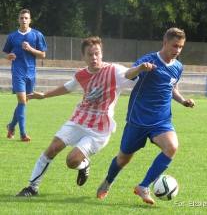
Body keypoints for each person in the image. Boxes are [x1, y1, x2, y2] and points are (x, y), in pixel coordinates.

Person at [14, 36, 137, 197]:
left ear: (102, 54)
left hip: (99, 129)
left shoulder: (115, 71)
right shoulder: (81, 75)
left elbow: (134, 78)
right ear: (83, 57)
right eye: (90, 55)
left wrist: (143, 69)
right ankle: (32, 188)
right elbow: (68, 87)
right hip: (79, 120)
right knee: (52, 148)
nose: (94, 58)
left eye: (97, 54)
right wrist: (44, 95)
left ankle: (83, 164)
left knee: (71, 161)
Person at [96, 27, 195, 205]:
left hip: (161, 120)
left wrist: (182, 101)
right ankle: (109, 180)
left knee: (172, 147)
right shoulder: (148, 60)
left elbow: (172, 87)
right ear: (165, 43)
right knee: (122, 159)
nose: (177, 50)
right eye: (174, 46)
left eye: (180, 47)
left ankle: (143, 186)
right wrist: (141, 68)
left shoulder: (178, 67)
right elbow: (128, 74)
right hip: (138, 120)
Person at [3, 9, 47, 141]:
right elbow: (5, 52)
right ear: (18, 20)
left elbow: (43, 54)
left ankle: (11, 126)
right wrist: (8, 56)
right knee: (22, 101)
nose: (23, 20)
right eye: (21, 18)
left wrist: (30, 49)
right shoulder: (12, 36)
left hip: (31, 73)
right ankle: (23, 134)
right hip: (17, 72)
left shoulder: (37, 35)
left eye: (26, 18)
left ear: (30, 20)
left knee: (24, 103)